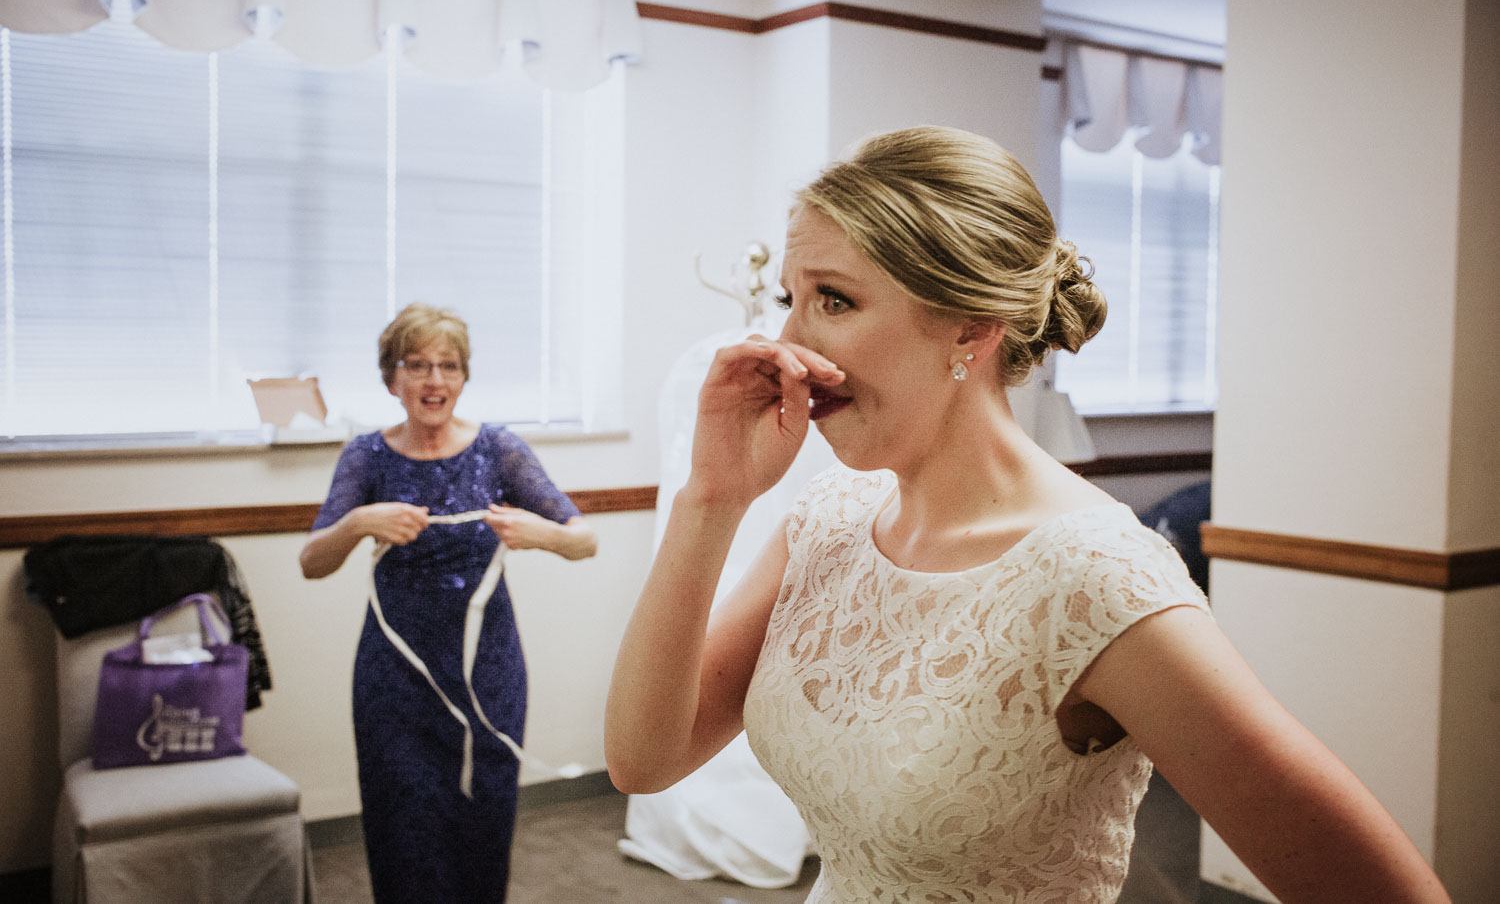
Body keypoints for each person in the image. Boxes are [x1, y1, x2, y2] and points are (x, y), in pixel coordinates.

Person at [605, 126, 1450, 904]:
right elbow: (645, 759)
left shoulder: (1096, 581)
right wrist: (710, 500)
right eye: (790, 300)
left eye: (834, 301)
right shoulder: (829, 521)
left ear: (969, 330)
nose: (792, 345)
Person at [300, 302, 597, 903]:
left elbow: (583, 540)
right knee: (402, 821)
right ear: (393, 378)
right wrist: (358, 522)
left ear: (464, 377)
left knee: (482, 819)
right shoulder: (366, 457)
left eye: (448, 366)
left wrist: (543, 536)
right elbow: (312, 563)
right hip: (394, 680)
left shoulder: (499, 450)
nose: (435, 381)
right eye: (418, 365)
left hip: (487, 673)